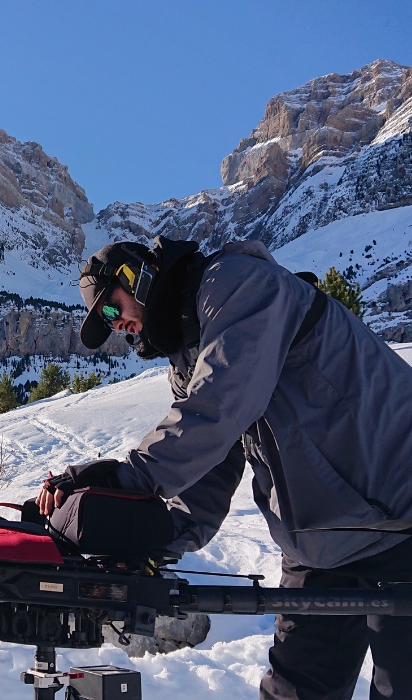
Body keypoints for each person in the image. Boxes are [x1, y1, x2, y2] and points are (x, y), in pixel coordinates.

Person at [36, 235, 412, 700]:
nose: (120, 328)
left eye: (113, 311)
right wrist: (134, 536)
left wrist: (126, 478)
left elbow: (218, 408)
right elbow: (203, 485)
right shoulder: (187, 359)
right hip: (321, 543)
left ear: (139, 276)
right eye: (109, 325)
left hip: (401, 514)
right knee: (294, 692)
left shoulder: (238, 285)